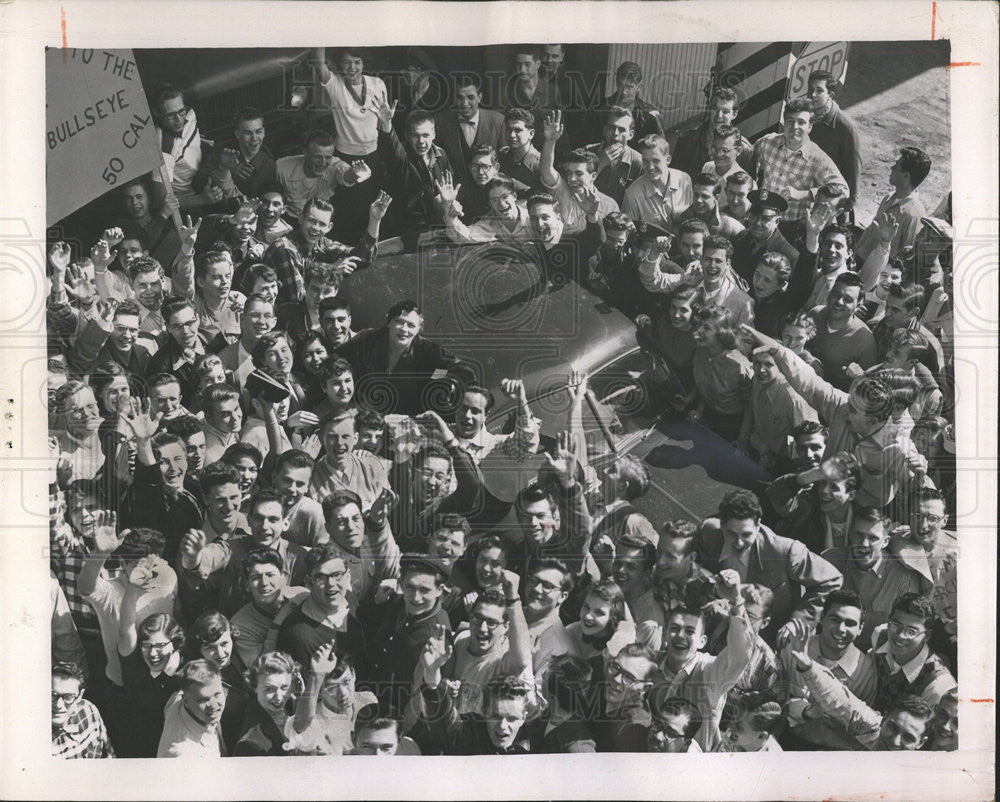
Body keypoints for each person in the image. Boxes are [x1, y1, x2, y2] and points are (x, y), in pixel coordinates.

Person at [743, 326, 928, 512]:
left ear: (877, 418)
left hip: (860, 524)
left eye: (854, 410)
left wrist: (920, 477)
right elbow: (810, 382)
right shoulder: (845, 406)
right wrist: (777, 350)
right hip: (820, 506)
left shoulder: (898, 446)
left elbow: (919, 496)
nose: (845, 412)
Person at [698, 490, 843, 643]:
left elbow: (831, 580)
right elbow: (689, 568)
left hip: (767, 640)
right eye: (731, 534)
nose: (738, 542)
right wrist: (715, 586)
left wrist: (798, 622)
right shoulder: (708, 533)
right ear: (721, 525)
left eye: (746, 534)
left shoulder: (785, 551)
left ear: (758, 526)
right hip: (715, 633)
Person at [657, 569, 754, 751]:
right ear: (664, 634)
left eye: (690, 631)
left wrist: (736, 602)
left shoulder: (708, 671)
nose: (680, 636)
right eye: (674, 628)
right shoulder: (652, 664)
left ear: (702, 642)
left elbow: (740, 655)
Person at [777, 589, 878, 750]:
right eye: (834, 619)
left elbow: (862, 729)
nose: (841, 629)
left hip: (836, 752)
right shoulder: (792, 650)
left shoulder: (867, 671)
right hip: (787, 741)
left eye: (850, 623)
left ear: (860, 628)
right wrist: (805, 710)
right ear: (821, 618)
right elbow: (775, 702)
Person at [788, 649, 938, 751]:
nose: (895, 741)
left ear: (921, 743)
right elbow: (840, 700)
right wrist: (808, 669)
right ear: (883, 719)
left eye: (908, 737)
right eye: (892, 727)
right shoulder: (870, 727)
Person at [361, 554, 453, 718]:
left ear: (439, 590)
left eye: (425, 590)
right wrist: (377, 603)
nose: (416, 598)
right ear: (401, 584)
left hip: (399, 713)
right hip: (371, 694)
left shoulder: (438, 635)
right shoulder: (397, 603)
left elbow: (428, 693)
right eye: (410, 587)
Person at [821, 506, 929, 643]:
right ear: (850, 535)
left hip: (877, 657)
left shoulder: (904, 579)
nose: (864, 544)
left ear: (885, 541)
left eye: (873, 538)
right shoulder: (829, 561)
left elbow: (909, 631)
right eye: (858, 535)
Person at [336, 300, 458, 416]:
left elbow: (454, 367)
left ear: (418, 329)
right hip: (364, 414)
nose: (404, 329)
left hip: (406, 418)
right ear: (389, 322)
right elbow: (337, 358)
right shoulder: (368, 338)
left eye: (411, 325)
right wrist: (353, 397)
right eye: (399, 321)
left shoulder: (427, 349)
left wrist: (435, 381)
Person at [263, 197, 382, 305]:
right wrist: (333, 271)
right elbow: (298, 300)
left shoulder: (321, 243)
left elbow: (363, 257)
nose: (315, 228)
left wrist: (375, 220)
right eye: (311, 221)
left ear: (329, 227)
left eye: (322, 224)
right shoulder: (285, 248)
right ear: (301, 218)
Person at [751, 98, 849, 223]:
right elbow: (749, 157)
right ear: (784, 123)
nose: (794, 127)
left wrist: (805, 194)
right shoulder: (767, 142)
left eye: (801, 122)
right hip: (762, 218)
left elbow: (843, 190)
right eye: (790, 121)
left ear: (810, 127)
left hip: (791, 224)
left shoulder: (818, 159)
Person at [890, 487, 957, 669]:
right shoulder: (899, 543)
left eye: (932, 518)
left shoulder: (961, 549)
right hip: (926, 631)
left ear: (945, 521)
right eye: (916, 515)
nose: (923, 525)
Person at [372, 97, 451, 249]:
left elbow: (447, 188)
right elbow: (392, 151)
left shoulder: (441, 155)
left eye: (426, 135)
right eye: (416, 135)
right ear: (407, 136)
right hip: (406, 233)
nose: (421, 141)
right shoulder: (402, 157)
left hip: (438, 230)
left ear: (434, 134)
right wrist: (387, 125)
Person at [287, 642, 378, 755]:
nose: (343, 692)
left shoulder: (368, 700)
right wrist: (317, 675)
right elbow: (299, 727)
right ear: (320, 689)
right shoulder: (312, 718)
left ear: (353, 674)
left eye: (346, 682)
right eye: (332, 688)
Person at [870, 592, 955, 712]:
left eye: (911, 631)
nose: (900, 636)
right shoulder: (880, 637)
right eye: (896, 625)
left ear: (927, 636)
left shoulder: (937, 685)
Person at [737, 346, 818, 471]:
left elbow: (808, 443)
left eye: (769, 364)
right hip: (763, 449)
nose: (761, 370)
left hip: (791, 461)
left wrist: (788, 462)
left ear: (781, 366)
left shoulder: (794, 399)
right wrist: (760, 448)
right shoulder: (757, 381)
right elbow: (751, 409)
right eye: (757, 363)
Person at [539, 111, 620, 235]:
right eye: (569, 173)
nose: (571, 179)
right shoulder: (563, 192)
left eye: (578, 173)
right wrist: (550, 141)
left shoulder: (609, 205)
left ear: (593, 176)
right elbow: (546, 171)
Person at [115, 612, 184, 757]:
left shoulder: (185, 672)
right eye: (146, 645)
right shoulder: (135, 667)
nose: (153, 653)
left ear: (175, 644)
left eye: (160, 645)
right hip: (136, 750)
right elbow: (124, 632)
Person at [767, 451, 862, 554]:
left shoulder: (862, 518)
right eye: (823, 483)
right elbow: (775, 493)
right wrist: (816, 473)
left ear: (851, 495)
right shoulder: (807, 510)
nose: (824, 491)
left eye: (834, 487)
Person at [688, 304, 753, 442]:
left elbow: (751, 405)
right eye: (700, 325)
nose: (699, 330)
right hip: (708, 415)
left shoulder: (739, 365)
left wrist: (743, 438)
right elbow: (704, 384)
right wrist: (699, 410)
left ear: (722, 334)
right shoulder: (700, 352)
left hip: (733, 424)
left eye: (706, 328)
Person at [854, 147, 932, 260]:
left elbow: (907, 256)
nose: (892, 168)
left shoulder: (914, 216)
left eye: (897, 166)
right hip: (860, 259)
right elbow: (871, 230)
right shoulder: (889, 197)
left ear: (906, 176)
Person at [805, 273, 879, 391]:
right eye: (836, 294)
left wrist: (860, 376)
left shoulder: (865, 340)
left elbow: (869, 386)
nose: (839, 301)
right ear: (829, 294)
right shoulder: (815, 314)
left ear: (858, 305)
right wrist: (807, 356)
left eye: (848, 299)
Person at [150, 84, 218, 211]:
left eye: (181, 111)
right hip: (190, 202)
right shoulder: (163, 152)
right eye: (170, 115)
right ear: (156, 113)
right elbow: (160, 202)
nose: (179, 119)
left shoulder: (189, 113)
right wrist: (201, 199)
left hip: (205, 177)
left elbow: (188, 140)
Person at [434, 75, 505, 189]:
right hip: (456, 193)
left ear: (479, 97)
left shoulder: (498, 121)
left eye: (470, 97)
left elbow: (504, 162)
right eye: (460, 97)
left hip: (489, 192)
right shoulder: (440, 122)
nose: (465, 103)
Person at [806, 71, 862, 211]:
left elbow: (853, 169)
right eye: (810, 89)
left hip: (829, 200)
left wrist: (848, 205)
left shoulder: (846, 127)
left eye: (819, 91)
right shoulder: (805, 116)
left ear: (830, 95)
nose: (812, 95)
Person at [671, 87, 752, 179]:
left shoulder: (745, 151)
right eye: (715, 109)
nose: (719, 115)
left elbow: (748, 187)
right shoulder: (687, 141)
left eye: (725, 111)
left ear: (734, 114)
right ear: (709, 109)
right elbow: (674, 179)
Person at [233, 651, 302, 756]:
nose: (279, 697)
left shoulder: (292, 704)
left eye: (284, 688)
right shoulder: (250, 744)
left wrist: (301, 701)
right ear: (254, 686)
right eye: (269, 689)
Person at [621, 135, 694, 235]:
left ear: (668, 160)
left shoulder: (684, 179)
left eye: (656, 161)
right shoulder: (632, 194)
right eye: (645, 161)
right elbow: (627, 233)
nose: (650, 167)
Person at [157, 659, 227, 757]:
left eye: (217, 694)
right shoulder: (184, 754)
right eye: (203, 700)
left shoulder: (177, 698)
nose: (214, 705)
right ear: (185, 701)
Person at [204, 107, 278, 200]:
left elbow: (263, 198)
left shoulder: (268, 164)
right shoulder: (221, 151)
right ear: (238, 134)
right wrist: (226, 169)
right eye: (248, 133)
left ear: (264, 132)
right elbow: (199, 181)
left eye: (258, 132)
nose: (254, 138)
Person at [522, 559, 579, 676]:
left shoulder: (559, 649)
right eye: (534, 580)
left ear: (562, 596)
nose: (537, 589)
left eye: (547, 586)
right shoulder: (508, 614)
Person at [730, 189, 800, 285]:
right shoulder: (741, 237)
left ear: (777, 221)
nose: (758, 223)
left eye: (765, 218)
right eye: (754, 216)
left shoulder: (789, 256)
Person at [441, 174, 534, 244]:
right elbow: (461, 236)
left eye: (505, 197)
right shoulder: (489, 224)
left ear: (514, 196)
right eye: (495, 200)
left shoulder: (534, 217)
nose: (501, 203)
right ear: (490, 204)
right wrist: (447, 205)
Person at [587, 61, 665, 144]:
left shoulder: (651, 116)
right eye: (620, 85)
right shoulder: (599, 109)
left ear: (639, 87)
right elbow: (586, 145)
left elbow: (659, 151)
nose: (624, 92)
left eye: (629, 87)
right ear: (616, 83)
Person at [52, 662, 114, 759]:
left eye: (68, 697)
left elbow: (109, 756)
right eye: (53, 695)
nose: (59, 705)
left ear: (80, 696)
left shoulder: (89, 711)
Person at [584, 106, 645, 205]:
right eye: (611, 128)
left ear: (631, 134)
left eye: (621, 130)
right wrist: (599, 163)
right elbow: (578, 189)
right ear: (604, 130)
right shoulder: (588, 152)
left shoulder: (638, 162)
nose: (615, 134)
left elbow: (640, 202)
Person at [537, 654, 596, 752]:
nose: (541, 678)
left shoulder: (578, 748)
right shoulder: (547, 715)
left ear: (552, 697)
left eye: (544, 677)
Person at [695, 235, 754, 329]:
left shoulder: (743, 303)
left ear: (727, 264)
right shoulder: (690, 286)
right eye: (708, 259)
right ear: (701, 260)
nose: (712, 265)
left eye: (718, 261)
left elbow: (745, 341)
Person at [678, 173, 746, 239]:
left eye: (705, 196)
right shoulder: (679, 218)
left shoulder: (732, 228)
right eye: (696, 195)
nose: (699, 200)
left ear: (716, 198)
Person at [499, 107, 542, 192]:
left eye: (518, 130)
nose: (512, 135)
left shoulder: (539, 165)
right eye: (508, 130)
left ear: (531, 134)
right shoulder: (501, 155)